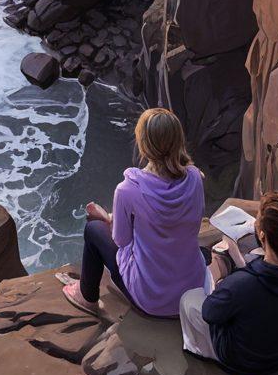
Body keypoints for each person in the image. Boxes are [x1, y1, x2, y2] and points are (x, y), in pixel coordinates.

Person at [62, 107, 206, 318]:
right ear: (178, 140)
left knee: (93, 229)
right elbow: (192, 221)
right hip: (192, 288)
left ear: (143, 144)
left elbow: (121, 241)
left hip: (152, 299)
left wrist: (109, 220)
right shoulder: (195, 178)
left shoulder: (128, 190)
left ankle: (87, 296)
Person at [180, 191, 278, 375]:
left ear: (262, 235)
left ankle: (197, 348)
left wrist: (222, 284)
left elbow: (210, 313)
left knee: (189, 299)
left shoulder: (240, 285)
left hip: (243, 361)